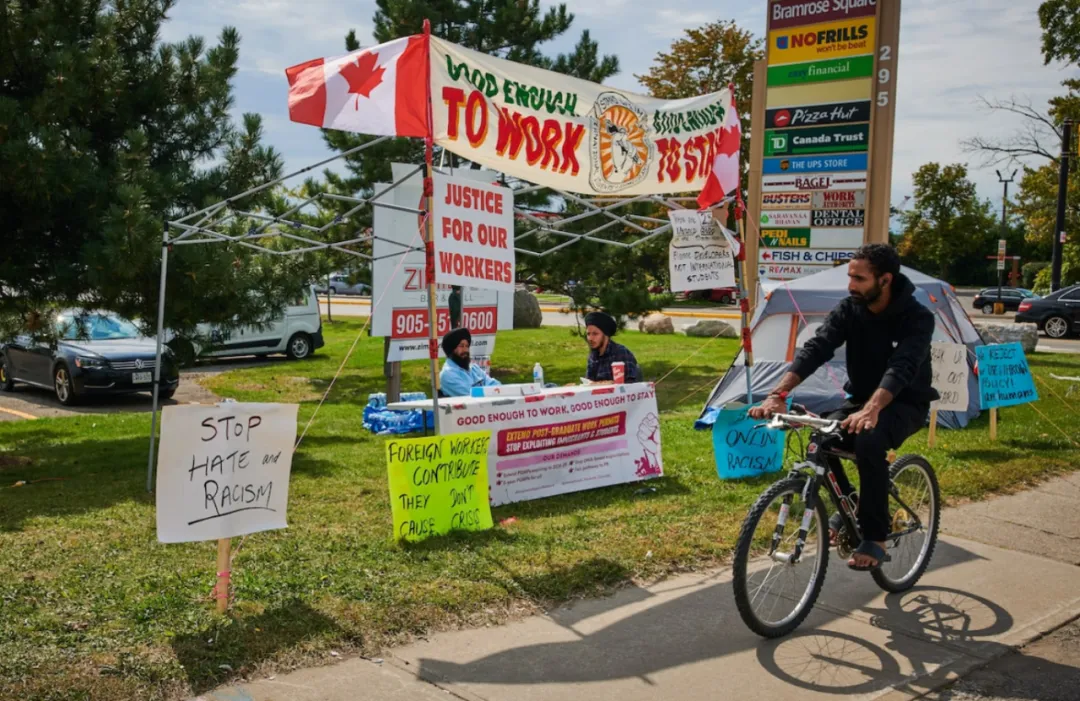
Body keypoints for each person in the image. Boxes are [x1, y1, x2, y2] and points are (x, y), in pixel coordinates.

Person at [749, 244, 938, 572]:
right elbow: (817, 347)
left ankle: (875, 537)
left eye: (859, 278)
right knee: (820, 439)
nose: (851, 285)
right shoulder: (850, 309)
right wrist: (778, 393)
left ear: (885, 280)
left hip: (905, 402)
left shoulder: (918, 317)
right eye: (850, 276)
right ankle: (851, 503)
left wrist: (873, 408)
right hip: (861, 400)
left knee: (869, 440)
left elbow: (903, 366)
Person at [439, 327, 500, 397]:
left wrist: (500, 391)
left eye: (467, 346)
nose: (465, 350)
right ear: (452, 349)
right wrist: (491, 392)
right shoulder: (448, 374)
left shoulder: (474, 368)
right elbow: (470, 396)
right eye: (461, 346)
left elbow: (494, 384)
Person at [584, 311, 642, 384]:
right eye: (588, 334)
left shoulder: (621, 353)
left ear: (606, 335)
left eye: (595, 334)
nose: (590, 338)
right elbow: (589, 383)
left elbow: (631, 385)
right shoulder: (593, 356)